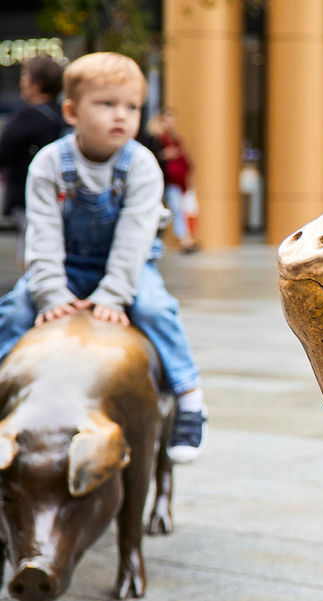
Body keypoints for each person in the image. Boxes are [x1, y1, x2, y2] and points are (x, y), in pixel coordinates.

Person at [0, 52, 209, 463]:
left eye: (131, 107)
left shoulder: (141, 166)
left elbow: (133, 239)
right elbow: (41, 237)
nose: (121, 116)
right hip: (66, 266)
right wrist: (52, 294)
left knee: (155, 308)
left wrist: (114, 295)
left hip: (128, 269)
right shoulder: (49, 164)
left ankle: (189, 397)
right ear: (71, 111)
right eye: (106, 104)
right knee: (14, 309)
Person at [0, 54, 66, 266]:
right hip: (63, 194)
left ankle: (34, 291)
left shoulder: (27, 116)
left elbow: (4, 151)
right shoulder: (65, 113)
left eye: (25, 76)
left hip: (30, 194)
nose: (22, 81)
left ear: (37, 84)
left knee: (32, 250)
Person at [147, 108, 198, 252]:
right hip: (158, 180)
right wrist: (163, 155)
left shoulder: (174, 139)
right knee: (152, 210)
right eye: (168, 120)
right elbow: (149, 158)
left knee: (177, 210)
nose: (171, 124)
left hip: (172, 181)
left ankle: (185, 241)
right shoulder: (154, 139)